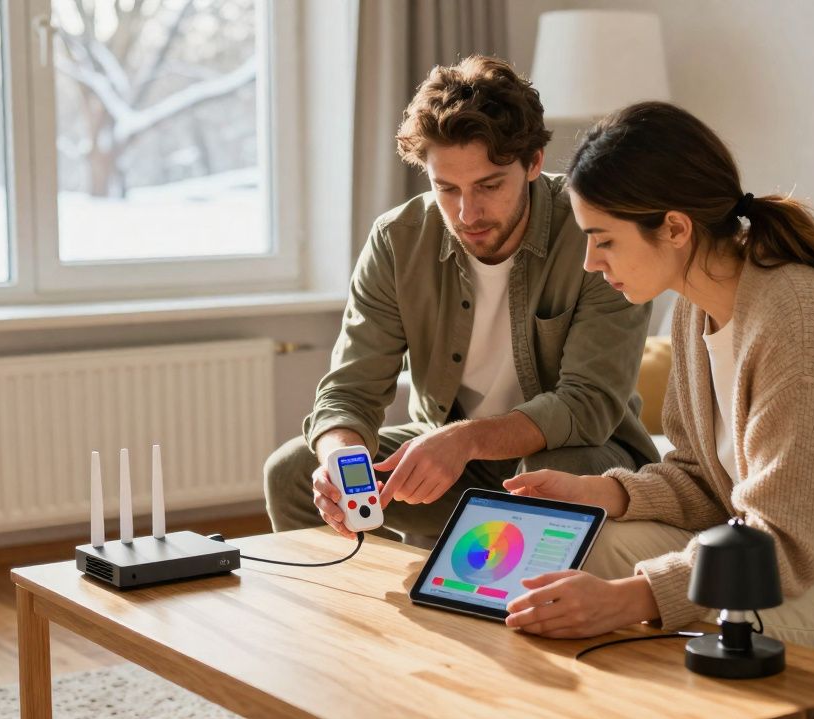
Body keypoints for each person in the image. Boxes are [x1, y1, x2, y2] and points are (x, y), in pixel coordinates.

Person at [501, 101, 814, 706]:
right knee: (594, 544)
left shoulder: (796, 320)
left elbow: (781, 543)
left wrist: (625, 600)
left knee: (654, 615)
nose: (591, 264)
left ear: (675, 228)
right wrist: (603, 493)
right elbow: (706, 479)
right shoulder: (698, 306)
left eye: (603, 240)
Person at [263, 56, 658, 546]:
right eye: (446, 188)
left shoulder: (593, 233)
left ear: (534, 162)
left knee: (554, 469)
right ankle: (356, 595)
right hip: (451, 460)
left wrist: (464, 440)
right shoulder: (398, 241)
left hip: (582, 455)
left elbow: (588, 405)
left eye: (489, 186)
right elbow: (349, 393)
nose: (468, 213)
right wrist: (341, 462)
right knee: (291, 471)